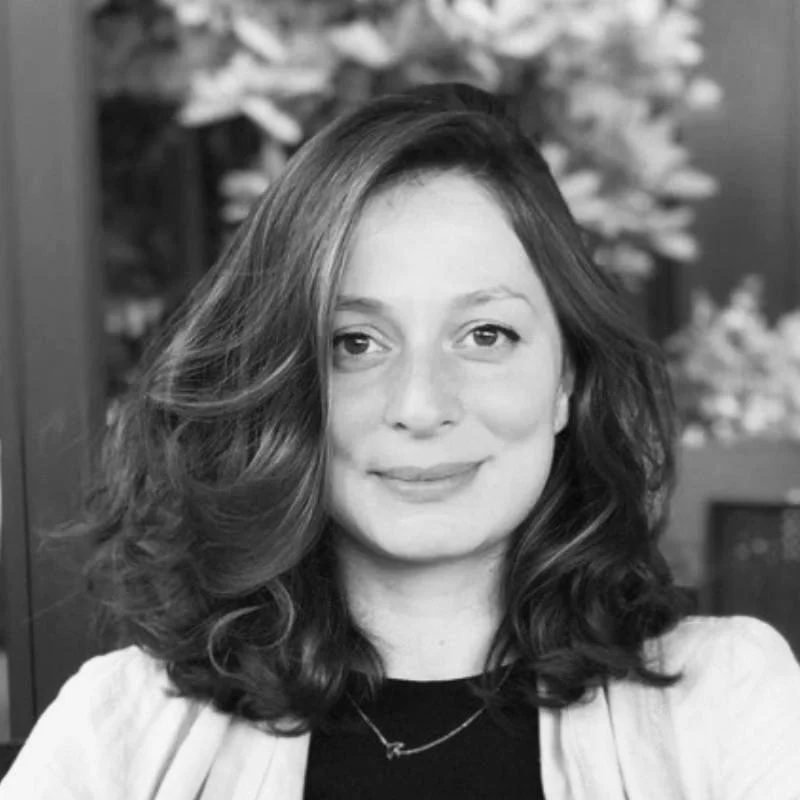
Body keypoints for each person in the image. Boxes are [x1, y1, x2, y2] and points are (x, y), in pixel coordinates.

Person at [2, 82, 799, 800]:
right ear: (285, 383)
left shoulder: (728, 700)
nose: (421, 406)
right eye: (355, 342)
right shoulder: (120, 728)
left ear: (566, 380)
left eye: (485, 334)